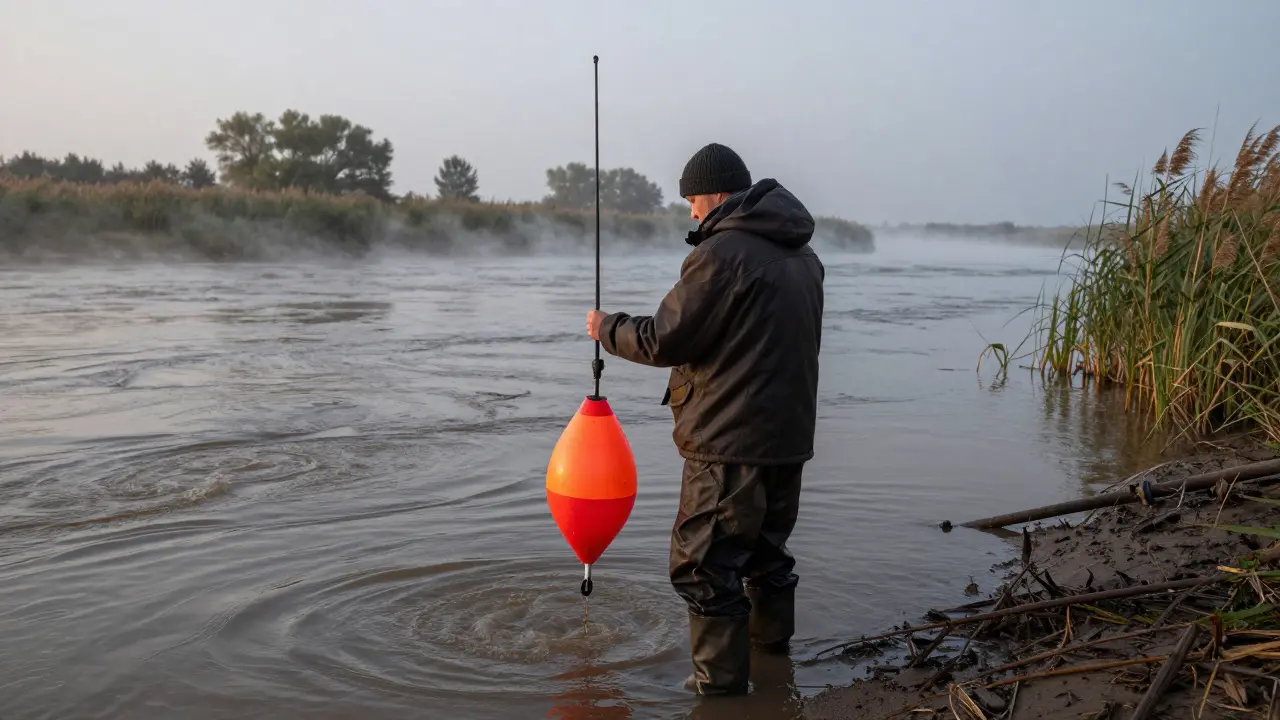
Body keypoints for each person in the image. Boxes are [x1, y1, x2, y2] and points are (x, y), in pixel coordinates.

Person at [584, 143, 825, 695]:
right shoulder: (804, 256)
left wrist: (606, 327)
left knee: (703, 567)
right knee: (767, 557)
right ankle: (773, 671)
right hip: (787, 440)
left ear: (716, 193)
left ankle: (718, 696)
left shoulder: (723, 253)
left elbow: (666, 339)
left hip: (728, 444)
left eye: (692, 199)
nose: (691, 212)